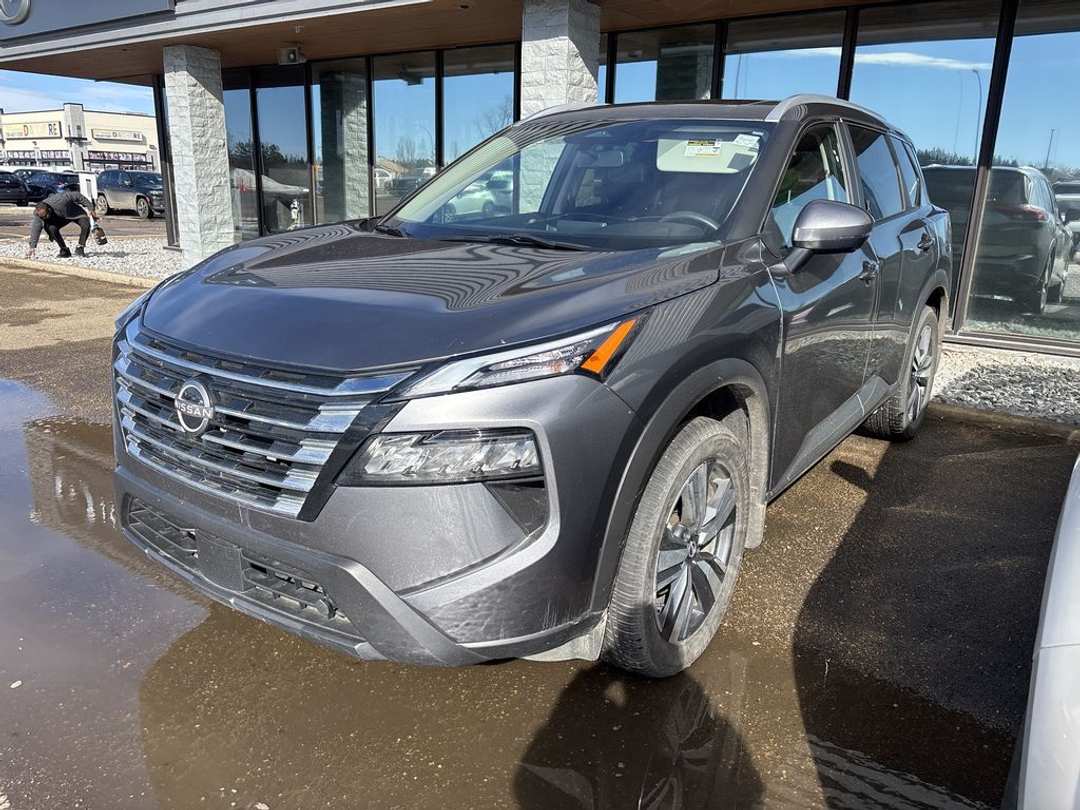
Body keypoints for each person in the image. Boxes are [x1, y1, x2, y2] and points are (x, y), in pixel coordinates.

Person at [25, 190, 100, 259]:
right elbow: (36, 229)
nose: (45, 218)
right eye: (43, 217)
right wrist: (32, 247)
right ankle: (64, 250)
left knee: (86, 224)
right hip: (59, 219)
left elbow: (77, 195)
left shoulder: (60, 200)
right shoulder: (38, 214)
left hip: (74, 213)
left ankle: (80, 247)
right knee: (51, 228)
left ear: (49, 209)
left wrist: (91, 208)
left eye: (46, 216)